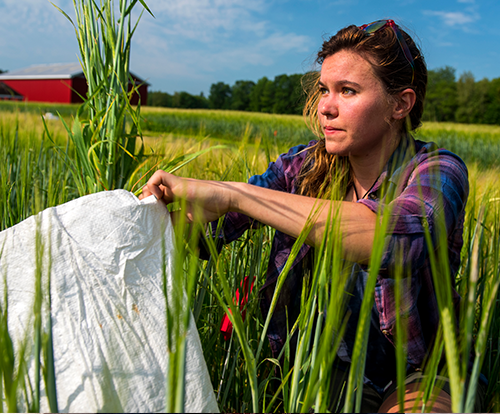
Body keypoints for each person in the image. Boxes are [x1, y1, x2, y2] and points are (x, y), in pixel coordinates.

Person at [141, 20, 476, 412]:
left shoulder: (438, 171)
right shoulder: (301, 167)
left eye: (347, 91)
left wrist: (236, 194)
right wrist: (163, 213)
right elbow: (205, 235)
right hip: (324, 368)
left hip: (420, 368)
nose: (325, 107)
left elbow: (396, 241)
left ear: (400, 104)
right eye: (323, 90)